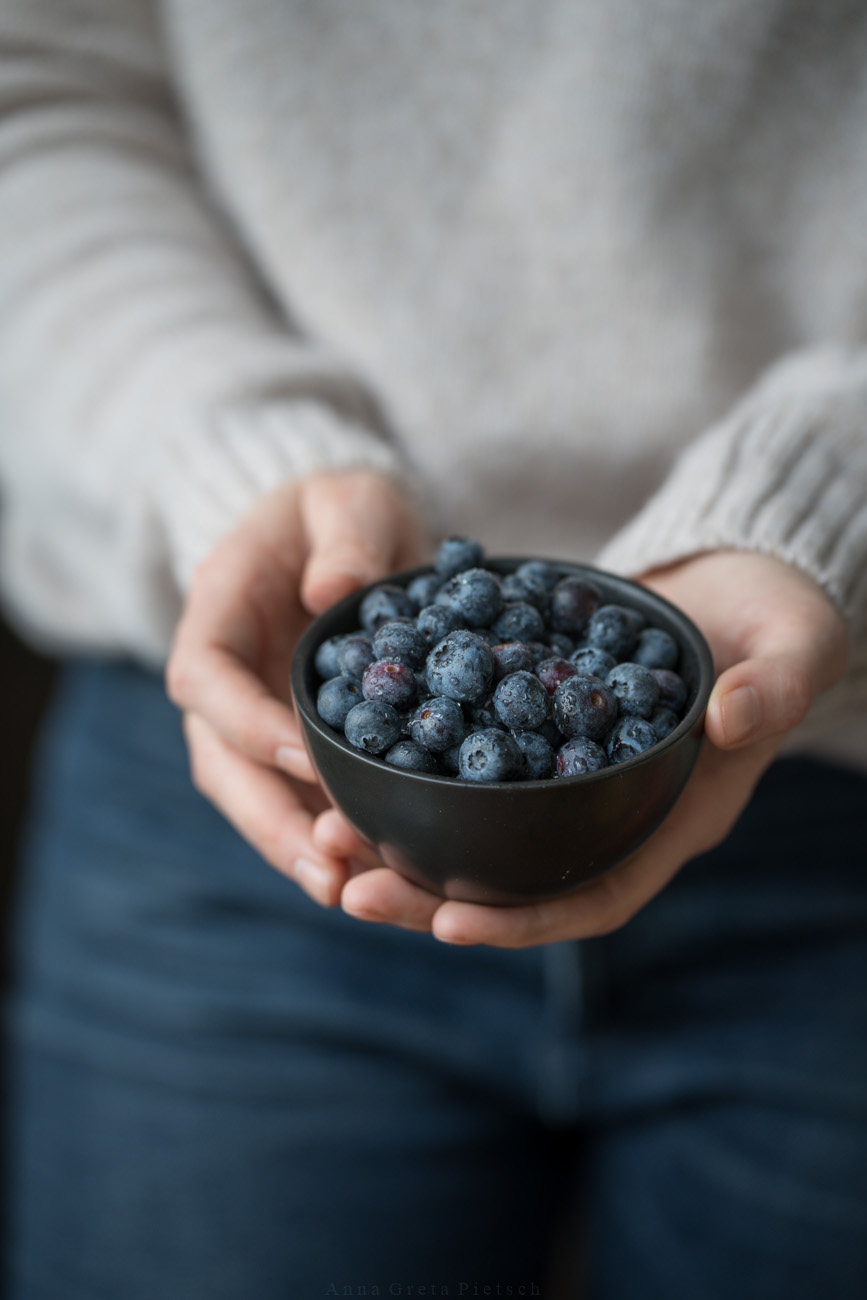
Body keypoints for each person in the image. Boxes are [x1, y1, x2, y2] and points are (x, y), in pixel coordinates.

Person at [1, 2, 865, 1296]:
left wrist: (833, 488)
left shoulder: (573, 681)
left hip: (834, 816)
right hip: (255, 800)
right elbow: (31, 97)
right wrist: (224, 446)